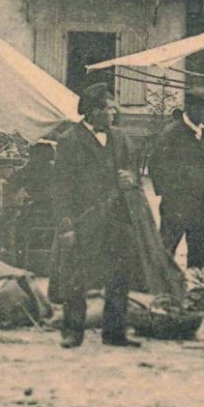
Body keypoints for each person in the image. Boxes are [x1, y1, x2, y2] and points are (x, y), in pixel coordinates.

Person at [52, 84, 142, 350]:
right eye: (107, 107)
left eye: (114, 107)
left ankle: (114, 332)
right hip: (84, 219)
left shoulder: (121, 138)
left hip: (117, 218)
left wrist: (132, 179)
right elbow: (60, 186)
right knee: (75, 275)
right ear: (92, 111)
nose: (113, 111)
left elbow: (133, 173)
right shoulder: (70, 140)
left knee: (119, 275)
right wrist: (66, 224)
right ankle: (72, 331)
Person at [148, 90, 204, 269]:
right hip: (175, 201)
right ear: (191, 108)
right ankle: (162, 286)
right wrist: (169, 192)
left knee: (199, 247)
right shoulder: (171, 133)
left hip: (197, 200)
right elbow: (156, 164)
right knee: (167, 247)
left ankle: (196, 285)